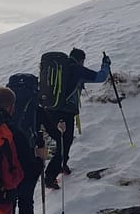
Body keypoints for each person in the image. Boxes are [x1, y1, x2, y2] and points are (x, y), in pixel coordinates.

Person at [40, 48, 110, 190]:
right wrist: (106, 64)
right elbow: (100, 77)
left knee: (61, 141)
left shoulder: (59, 69)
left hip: (48, 110)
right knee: (64, 143)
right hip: (65, 113)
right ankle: (50, 177)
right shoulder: (77, 70)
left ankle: (62, 165)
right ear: (81, 60)